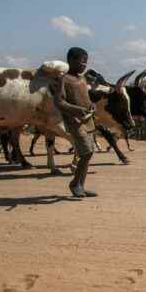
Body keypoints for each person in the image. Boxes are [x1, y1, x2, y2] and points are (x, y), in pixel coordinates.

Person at [52, 47, 98, 198]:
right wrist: (76, 110)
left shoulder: (82, 79)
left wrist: (91, 104)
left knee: (88, 153)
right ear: (71, 60)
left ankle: (80, 185)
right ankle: (75, 184)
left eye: (86, 61)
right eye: (82, 61)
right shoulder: (63, 80)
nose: (85, 64)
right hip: (74, 122)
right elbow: (59, 102)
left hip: (87, 121)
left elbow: (86, 98)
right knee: (86, 152)